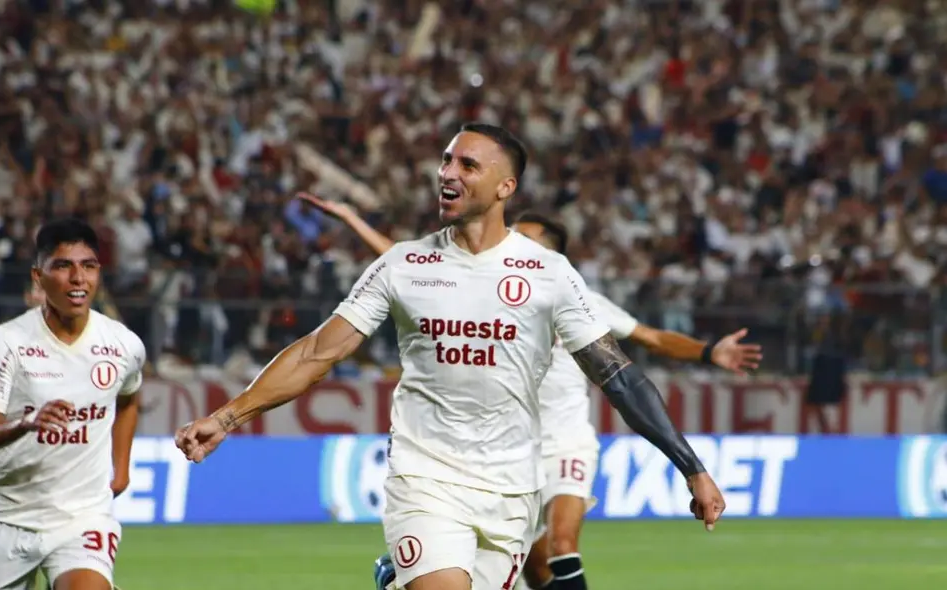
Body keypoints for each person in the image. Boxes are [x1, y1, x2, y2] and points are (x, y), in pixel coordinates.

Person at [175, 123, 725, 590]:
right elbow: (319, 350)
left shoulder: (548, 274)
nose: (448, 173)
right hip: (425, 476)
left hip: (512, 490)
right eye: (445, 160)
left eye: (468, 164)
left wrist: (691, 468)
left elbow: (619, 378)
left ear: (505, 186)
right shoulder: (403, 265)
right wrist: (228, 416)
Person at [296, 195, 761, 590]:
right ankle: (401, 573)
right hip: (512, 453)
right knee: (535, 574)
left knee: (562, 547)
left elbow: (652, 340)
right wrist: (356, 222)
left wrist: (707, 353)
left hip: (567, 443)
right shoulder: (473, 287)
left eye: (526, 239)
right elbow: (410, 268)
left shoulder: (575, 297)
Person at [0, 218, 146, 590]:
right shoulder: (8, 342)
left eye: (88, 266)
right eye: (63, 266)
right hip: (10, 519)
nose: (78, 278)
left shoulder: (123, 344)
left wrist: (121, 468)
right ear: (38, 276)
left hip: (82, 518)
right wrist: (26, 423)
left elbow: (128, 400)